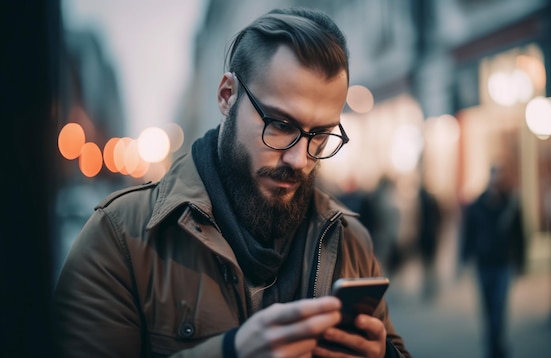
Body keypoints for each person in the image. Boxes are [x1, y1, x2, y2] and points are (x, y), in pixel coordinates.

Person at [52, 7, 410, 358]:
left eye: (320, 135)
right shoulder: (120, 238)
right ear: (227, 96)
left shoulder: (349, 240)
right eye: (281, 125)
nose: (300, 159)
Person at [460, 164, 526, 358]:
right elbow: (468, 234)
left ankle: (495, 346)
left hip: (502, 264)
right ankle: (493, 344)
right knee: (488, 308)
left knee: (499, 307)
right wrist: (464, 257)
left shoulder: (511, 204)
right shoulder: (477, 205)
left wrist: (521, 261)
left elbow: (520, 235)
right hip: (483, 264)